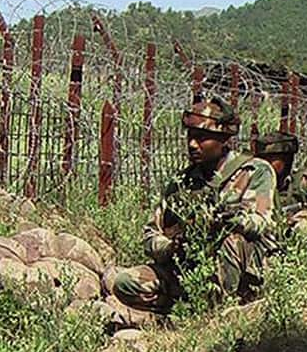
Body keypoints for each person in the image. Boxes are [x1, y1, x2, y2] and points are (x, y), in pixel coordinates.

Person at [111, 97, 277, 315]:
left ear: (224, 140)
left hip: (242, 267)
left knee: (231, 240)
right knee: (125, 283)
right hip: (192, 269)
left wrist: (228, 221)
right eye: (190, 137)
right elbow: (150, 235)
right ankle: (187, 310)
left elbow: (262, 222)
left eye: (201, 138)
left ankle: (227, 310)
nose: (192, 144)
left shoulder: (255, 171)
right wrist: (171, 247)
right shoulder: (183, 182)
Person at [252, 131, 307, 240]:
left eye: (271, 159)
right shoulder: (253, 181)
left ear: (288, 160)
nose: (265, 164)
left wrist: (301, 217)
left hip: (294, 236)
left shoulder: (305, 180)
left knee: (306, 229)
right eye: (262, 159)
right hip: (263, 235)